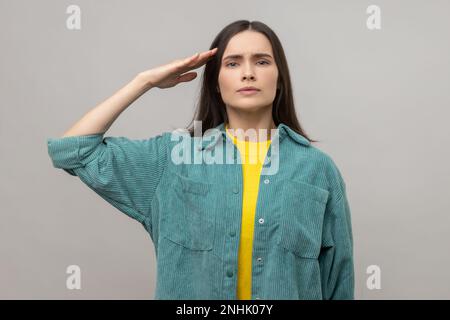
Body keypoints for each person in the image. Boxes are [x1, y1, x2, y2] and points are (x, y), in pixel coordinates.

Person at [47, 20, 354, 300]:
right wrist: (144, 81)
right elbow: (71, 150)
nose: (248, 72)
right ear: (215, 84)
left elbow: (339, 280)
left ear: (280, 79)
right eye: (233, 63)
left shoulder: (317, 170)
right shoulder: (175, 158)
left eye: (262, 61)